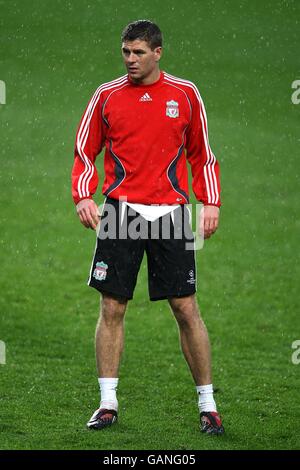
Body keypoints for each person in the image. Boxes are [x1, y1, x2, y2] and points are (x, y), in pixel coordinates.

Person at [71, 20, 224, 435]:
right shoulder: (106, 95)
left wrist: (210, 202)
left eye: (138, 52)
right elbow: (85, 150)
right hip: (120, 213)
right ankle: (107, 403)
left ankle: (208, 405)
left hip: (172, 214)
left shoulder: (185, 94)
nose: (130, 60)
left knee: (186, 308)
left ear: (158, 52)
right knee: (112, 307)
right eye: (125, 52)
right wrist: (83, 194)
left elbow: (202, 154)